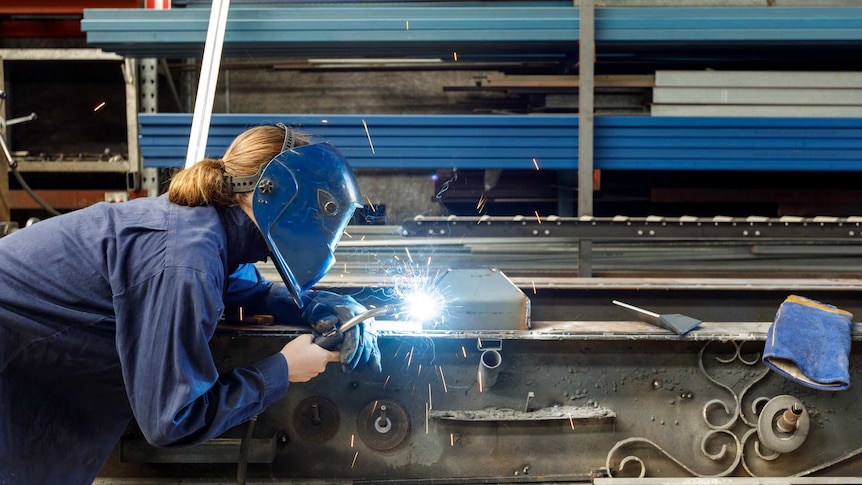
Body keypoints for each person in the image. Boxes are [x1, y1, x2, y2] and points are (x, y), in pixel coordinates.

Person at [0, 123, 381, 485]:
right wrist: (284, 369)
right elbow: (172, 419)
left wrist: (313, 305)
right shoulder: (186, 259)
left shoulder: (203, 227)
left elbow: (249, 291)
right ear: (273, 191)